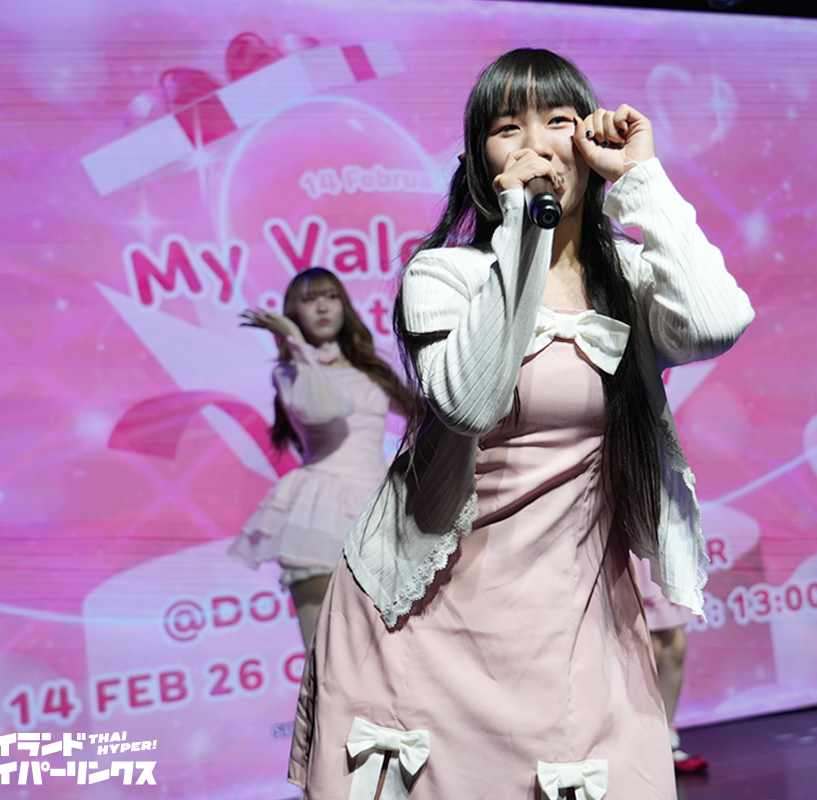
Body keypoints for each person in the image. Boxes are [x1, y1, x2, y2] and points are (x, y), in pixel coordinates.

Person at [287, 48, 753, 799]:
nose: (537, 144)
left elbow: (717, 321)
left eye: (559, 121)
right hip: (429, 619)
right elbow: (471, 403)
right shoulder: (444, 275)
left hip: (572, 618)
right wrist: (521, 229)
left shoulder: (626, 280)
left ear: (588, 141)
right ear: (482, 163)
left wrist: (640, 176)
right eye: (509, 128)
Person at [228, 267, 411, 652]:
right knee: (323, 653)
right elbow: (328, 408)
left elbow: (426, 419)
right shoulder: (290, 373)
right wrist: (297, 346)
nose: (322, 307)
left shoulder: (370, 370)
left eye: (330, 296)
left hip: (376, 505)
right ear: (294, 312)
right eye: (309, 300)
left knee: (386, 650)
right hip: (319, 508)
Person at [633, 557, 709, 773]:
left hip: (659, 549)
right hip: (629, 549)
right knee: (649, 648)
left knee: (675, 646)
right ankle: (642, 741)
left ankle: (666, 735)